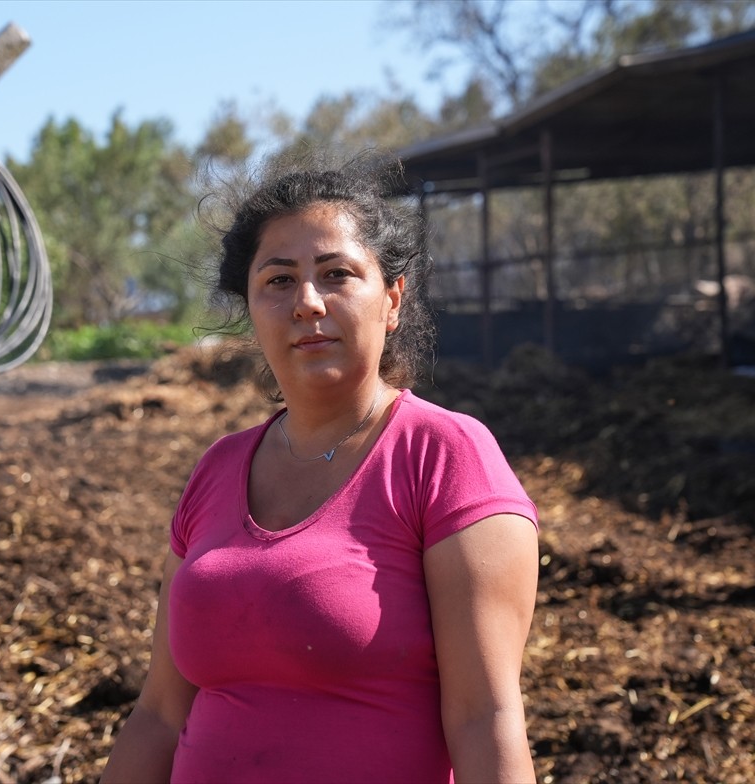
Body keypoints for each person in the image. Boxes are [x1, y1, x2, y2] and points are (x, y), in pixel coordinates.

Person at [102, 152, 539, 783]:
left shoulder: (444, 458)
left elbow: (485, 718)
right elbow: (159, 716)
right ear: (250, 311)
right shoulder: (218, 469)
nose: (307, 301)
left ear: (392, 300)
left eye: (336, 274)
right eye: (278, 281)